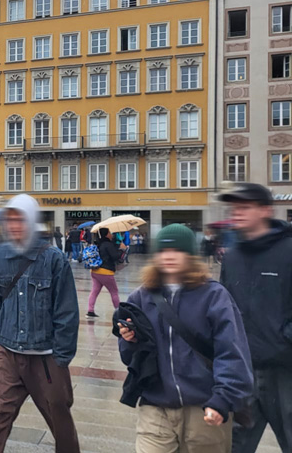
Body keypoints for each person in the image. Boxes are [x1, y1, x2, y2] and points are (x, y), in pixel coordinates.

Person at [115, 223, 254, 453]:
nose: (169, 256)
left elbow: (232, 350)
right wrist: (129, 339)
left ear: (190, 255)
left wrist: (223, 399)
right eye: (163, 251)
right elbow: (129, 357)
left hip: (204, 408)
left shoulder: (213, 295)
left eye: (177, 250)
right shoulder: (141, 296)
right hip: (155, 406)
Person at [0, 194, 80, 453]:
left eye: (20, 219)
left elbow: (66, 311)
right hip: (7, 352)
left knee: (59, 416)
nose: (14, 225)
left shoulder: (53, 259)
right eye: (9, 220)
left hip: (45, 357)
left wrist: (61, 357)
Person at [218, 183, 292, 452]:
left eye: (244, 207)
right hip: (242, 371)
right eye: (234, 207)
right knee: (235, 445)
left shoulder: (288, 251)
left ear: (266, 211)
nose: (236, 212)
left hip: (285, 371)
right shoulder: (233, 256)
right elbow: (223, 306)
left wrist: (284, 339)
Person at [86, 227, 125, 319]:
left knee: (94, 291)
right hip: (105, 272)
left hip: (95, 271)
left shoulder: (97, 244)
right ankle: (119, 312)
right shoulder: (107, 244)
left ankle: (90, 311)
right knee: (114, 292)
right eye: (110, 232)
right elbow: (115, 257)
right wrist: (122, 250)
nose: (111, 234)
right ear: (106, 234)